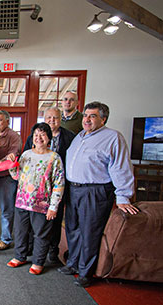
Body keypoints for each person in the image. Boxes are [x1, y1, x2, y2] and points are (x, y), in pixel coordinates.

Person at [58, 101, 138, 287]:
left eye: (92, 116)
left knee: (89, 232)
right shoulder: (80, 136)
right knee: (73, 228)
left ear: (103, 119)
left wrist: (123, 196)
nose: (87, 119)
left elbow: (121, 168)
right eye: (85, 115)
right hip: (74, 189)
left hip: (95, 191)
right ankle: (73, 264)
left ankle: (86, 272)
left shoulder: (113, 138)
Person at [6, 123, 65, 275]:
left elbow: (59, 183)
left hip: (42, 204)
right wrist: (11, 164)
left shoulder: (54, 158)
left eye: (43, 135)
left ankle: (38, 261)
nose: (39, 138)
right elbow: (16, 176)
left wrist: (53, 207)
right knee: (20, 231)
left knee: (41, 233)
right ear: (32, 138)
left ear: (49, 138)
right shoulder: (25, 155)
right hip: (22, 201)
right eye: (36, 135)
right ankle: (20, 256)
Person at [23, 107, 75, 262]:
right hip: (35, 189)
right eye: (49, 117)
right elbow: (25, 160)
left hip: (57, 185)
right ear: (44, 119)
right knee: (34, 220)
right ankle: (32, 248)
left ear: (61, 119)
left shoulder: (70, 137)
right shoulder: (34, 137)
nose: (52, 120)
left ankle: (53, 251)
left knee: (55, 218)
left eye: (56, 118)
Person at [0, 110, 21, 251]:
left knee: (6, 210)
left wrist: (1, 161)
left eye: (0, 120)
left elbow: (13, 154)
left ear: (8, 121)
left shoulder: (14, 136)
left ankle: (6, 239)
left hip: (6, 178)